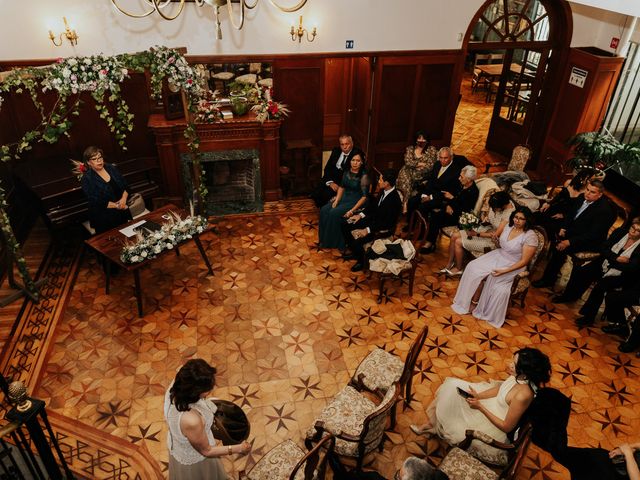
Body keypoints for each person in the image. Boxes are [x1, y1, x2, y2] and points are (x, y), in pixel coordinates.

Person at [411, 348, 551, 463]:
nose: (509, 364)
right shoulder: (519, 378)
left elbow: (507, 426)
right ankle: (432, 424)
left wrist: (480, 407)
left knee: (458, 414)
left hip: (496, 423)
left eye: (514, 364)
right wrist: (479, 396)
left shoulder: (523, 395)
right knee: (452, 386)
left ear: (525, 373)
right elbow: (501, 389)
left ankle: (434, 426)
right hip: (491, 404)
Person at [451, 207, 538, 328]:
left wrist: (505, 271)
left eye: (521, 219)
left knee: (490, 275)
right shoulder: (508, 226)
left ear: (527, 220)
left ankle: (476, 304)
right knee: (472, 266)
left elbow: (524, 261)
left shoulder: (530, 236)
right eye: (516, 217)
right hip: (499, 255)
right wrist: (496, 241)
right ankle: (468, 300)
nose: (517, 220)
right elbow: (501, 246)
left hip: (513, 264)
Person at [164, 359, 250, 480]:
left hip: (180, 443)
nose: (210, 391)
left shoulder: (178, 384)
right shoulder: (192, 420)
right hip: (196, 462)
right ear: (195, 392)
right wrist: (239, 448)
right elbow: (206, 451)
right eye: (208, 389)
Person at [533, 179, 616, 291]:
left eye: (592, 192)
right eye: (587, 189)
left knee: (560, 249)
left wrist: (568, 242)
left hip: (589, 241)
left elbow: (593, 234)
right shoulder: (582, 197)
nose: (587, 193)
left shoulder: (604, 211)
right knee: (552, 231)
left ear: (600, 195)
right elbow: (571, 214)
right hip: (575, 231)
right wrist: (564, 227)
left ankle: (548, 280)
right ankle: (552, 270)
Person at [566, 218, 640, 327]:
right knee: (583, 271)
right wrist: (617, 258)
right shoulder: (620, 232)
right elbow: (603, 248)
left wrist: (612, 261)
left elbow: (631, 268)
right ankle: (569, 296)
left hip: (623, 276)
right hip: (605, 263)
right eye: (633, 227)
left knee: (600, 286)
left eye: (638, 230)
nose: (633, 231)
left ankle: (589, 317)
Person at [441, 190, 515, 276]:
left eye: (494, 208)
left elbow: (496, 235)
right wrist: (485, 218)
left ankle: (458, 268)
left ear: (502, 206)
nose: (493, 210)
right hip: (485, 229)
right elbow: (490, 217)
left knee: (458, 241)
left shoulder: (509, 214)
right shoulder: (498, 202)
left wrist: (476, 234)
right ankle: (450, 264)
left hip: (493, 241)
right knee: (454, 236)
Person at [341, 169, 402, 272]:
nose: (378, 181)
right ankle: (355, 252)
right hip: (373, 221)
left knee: (358, 239)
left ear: (386, 183)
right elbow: (373, 206)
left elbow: (385, 223)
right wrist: (360, 215)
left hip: (380, 228)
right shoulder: (384, 190)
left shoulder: (394, 200)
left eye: (380, 180)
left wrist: (367, 230)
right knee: (345, 224)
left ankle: (361, 261)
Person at [405, 147, 471, 230]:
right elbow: (431, 181)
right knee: (412, 201)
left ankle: (422, 231)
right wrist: (425, 194)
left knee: (423, 206)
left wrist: (430, 197)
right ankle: (411, 225)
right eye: (441, 158)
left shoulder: (456, 171)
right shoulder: (437, 164)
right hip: (430, 192)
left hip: (441, 197)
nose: (443, 160)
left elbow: (448, 192)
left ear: (451, 157)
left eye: (445, 158)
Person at [420, 165, 479, 253]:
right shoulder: (461, 184)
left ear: (469, 179)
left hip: (458, 215)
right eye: (460, 176)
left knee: (436, 216)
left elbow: (464, 210)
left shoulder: (473, 192)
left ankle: (430, 243)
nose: (459, 178)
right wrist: (447, 205)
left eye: (461, 177)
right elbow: (451, 199)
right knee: (426, 206)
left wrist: (452, 199)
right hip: (450, 206)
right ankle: (423, 233)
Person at [318, 152, 369, 250]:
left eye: (358, 161)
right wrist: (337, 200)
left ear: (362, 162)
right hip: (344, 197)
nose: (355, 163)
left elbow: (364, 197)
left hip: (356, 200)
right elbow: (341, 187)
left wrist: (352, 210)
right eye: (353, 160)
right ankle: (324, 239)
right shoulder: (346, 172)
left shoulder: (364, 176)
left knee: (333, 213)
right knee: (324, 210)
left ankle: (334, 243)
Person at [80, 146, 132, 234]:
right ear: (88, 162)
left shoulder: (111, 168)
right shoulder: (87, 178)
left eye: (100, 157)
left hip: (122, 211)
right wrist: (118, 206)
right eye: (94, 159)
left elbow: (125, 185)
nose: (99, 161)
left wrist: (123, 199)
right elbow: (95, 201)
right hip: (104, 218)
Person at [533, 169, 591, 240]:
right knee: (538, 216)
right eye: (588, 179)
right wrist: (548, 203)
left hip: (566, 214)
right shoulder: (569, 182)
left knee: (551, 226)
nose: (589, 182)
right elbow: (559, 196)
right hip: (557, 207)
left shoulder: (586, 192)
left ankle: (545, 244)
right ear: (582, 178)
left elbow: (577, 209)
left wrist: (563, 215)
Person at [310, 134, 363, 208]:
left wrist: (341, 188)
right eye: (342, 144)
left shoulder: (357, 154)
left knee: (326, 195)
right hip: (332, 179)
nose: (344, 147)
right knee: (316, 193)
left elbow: (355, 175)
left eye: (347, 144)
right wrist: (330, 182)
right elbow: (327, 168)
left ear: (352, 143)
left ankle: (327, 210)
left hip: (343, 183)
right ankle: (322, 208)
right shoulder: (336, 150)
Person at [396, 131, 438, 213]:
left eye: (423, 138)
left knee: (409, 178)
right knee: (407, 179)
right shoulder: (410, 149)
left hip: (421, 174)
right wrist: (421, 164)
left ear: (427, 140)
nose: (421, 140)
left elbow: (430, 165)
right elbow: (408, 162)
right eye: (419, 138)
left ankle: (405, 203)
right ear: (416, 139)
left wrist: (415, 165)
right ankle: (405, 203)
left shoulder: (431, 150)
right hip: (407, 171)